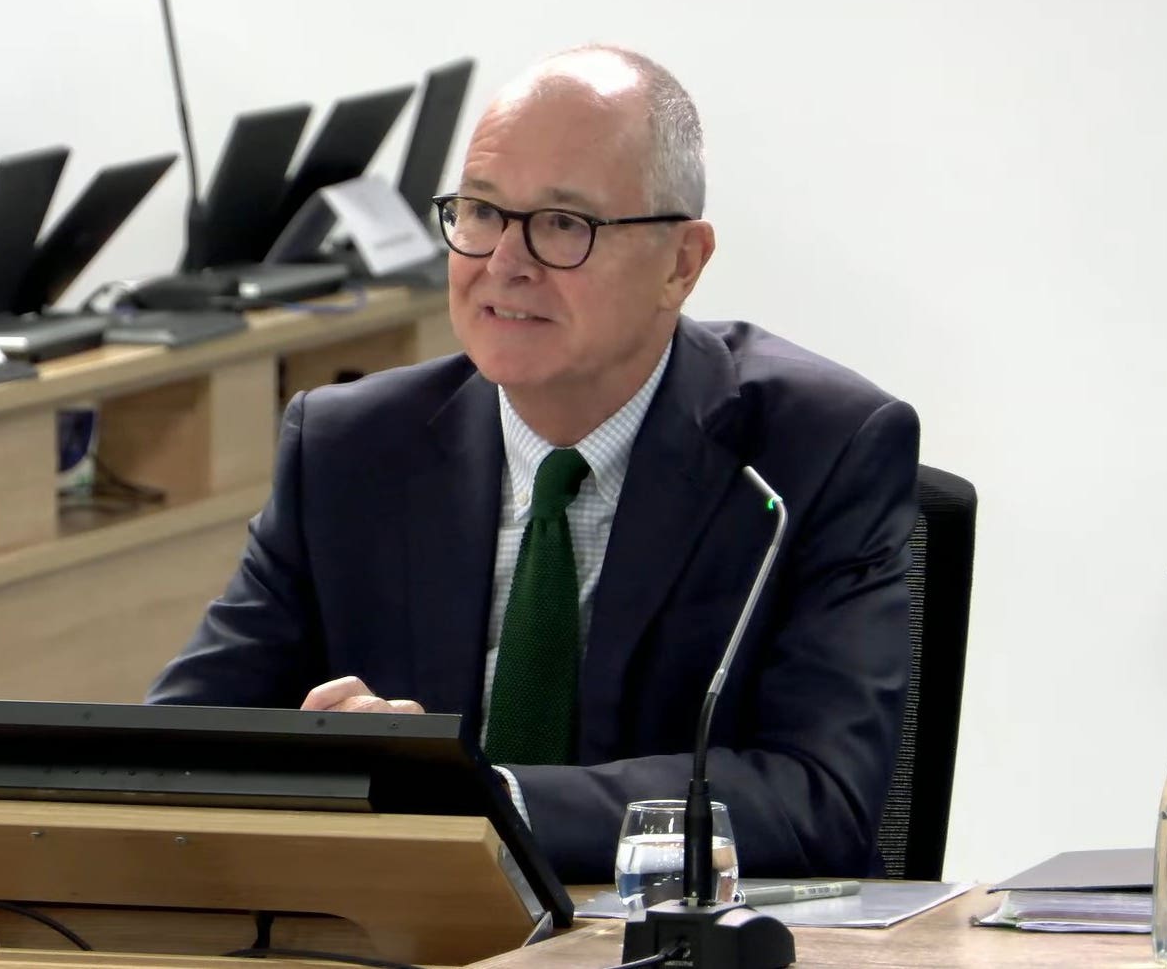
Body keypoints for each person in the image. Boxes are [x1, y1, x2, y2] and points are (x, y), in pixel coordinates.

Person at [147, 44, 920, 884]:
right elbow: (178, 749)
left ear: (680, 264)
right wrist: (336, 764)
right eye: (479, 211)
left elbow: (819, 802)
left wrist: (483, 798)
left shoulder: (813, 451)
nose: (502, 263)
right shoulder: (348, 448)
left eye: (562, 225)